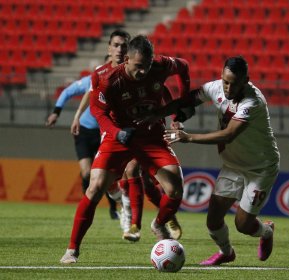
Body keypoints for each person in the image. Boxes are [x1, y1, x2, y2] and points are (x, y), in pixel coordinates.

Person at [60, 35, 190, 264]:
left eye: (147, 66)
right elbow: (98, 111)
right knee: (95, 186)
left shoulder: (160, 65)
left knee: (176, 188)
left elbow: (184, 67)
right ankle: (72, 249)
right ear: (126, 59)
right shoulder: (109, 79)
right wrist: (116, 132)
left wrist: (185, 101)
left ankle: (158, 223)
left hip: (150, 135)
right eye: (139, 67)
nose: (144, 72)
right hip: (120, 136)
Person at [141, 56, 280, 265]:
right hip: (233, 165)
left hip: (260, 167)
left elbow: (229, 134)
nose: (228, 88)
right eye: (225, 81)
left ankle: (266, 231)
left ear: (246, 80)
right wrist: (159, 115)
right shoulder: (214, 88)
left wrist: (188, 137)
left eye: (234, 83)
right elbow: (186, 101)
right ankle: (226, 252)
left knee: (242, 225)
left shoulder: (253, 102)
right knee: (213, 221)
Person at [45, 56, 119, 220]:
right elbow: (67, 92)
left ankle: (113, 207)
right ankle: (87, 203)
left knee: (105, 174)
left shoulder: (120, 83)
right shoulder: (91, 81)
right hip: (85, 131)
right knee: (86, 173)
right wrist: (56, 112)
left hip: (104, 133)